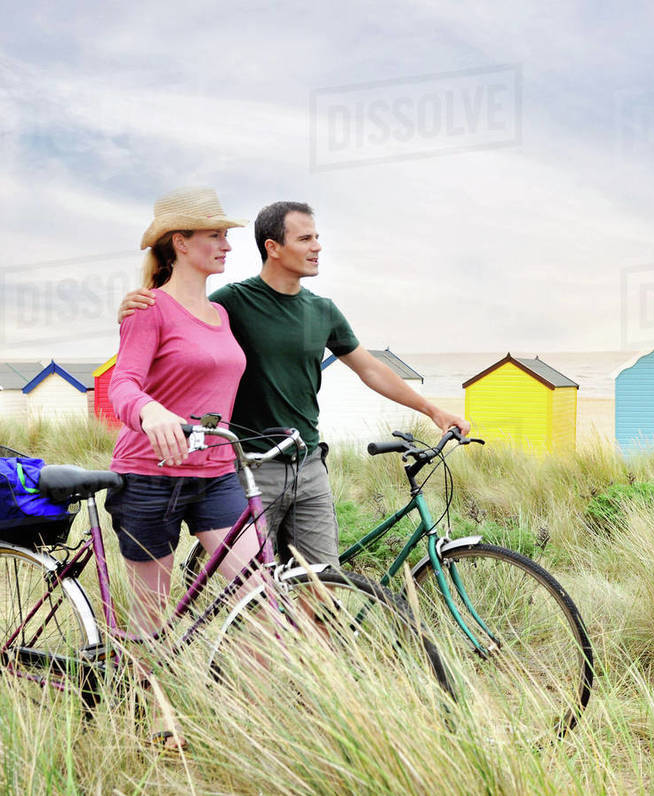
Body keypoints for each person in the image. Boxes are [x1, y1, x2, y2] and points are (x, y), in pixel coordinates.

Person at [119, 201, 468, 568]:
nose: (317, 246)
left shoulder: (323, 310)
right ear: (273, 247)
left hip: (308, 462)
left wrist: (433, 410)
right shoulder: (231, 304)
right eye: (305, 238)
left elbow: (370, 369)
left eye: (317, 237)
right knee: (256, 591)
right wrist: (135, 304)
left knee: (322, 582)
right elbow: (180, 318)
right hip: (252, 466)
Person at [107, 186, 256, 752]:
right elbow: (123, 383)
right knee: (152, 617)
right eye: (215, 234)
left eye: (226, 234)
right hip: (148, 478)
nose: (225, 244)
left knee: (257, 593)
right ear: (181, 241)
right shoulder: (149, 308)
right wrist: (149, 410)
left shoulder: (220, 312)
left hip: (217, 474)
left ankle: (246, 715)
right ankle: (159, 722)